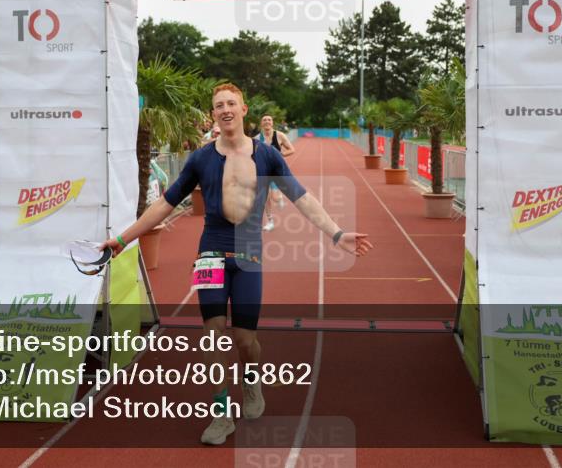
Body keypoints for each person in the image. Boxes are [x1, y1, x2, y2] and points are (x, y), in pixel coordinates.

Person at [101, 83, 373, 446]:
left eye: (231, 103)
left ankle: (251, 381)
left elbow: (301, 198)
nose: (225, 109)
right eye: (218, 106)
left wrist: (338, 234)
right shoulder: (200, 159)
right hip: (210, 253)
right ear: (213, 115)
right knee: (212, 335)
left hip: (248, 255)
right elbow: (165, 204)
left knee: (246, 340)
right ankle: (220, 412)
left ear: (244, 110)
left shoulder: (267, 156)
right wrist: (123, 238)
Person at [255, 114, 296, 231]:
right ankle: (270, 221)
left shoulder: (279, 136)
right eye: (264, 120)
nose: (267, 121)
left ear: (272, 123)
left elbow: (292, 150)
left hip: (277, 170)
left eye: (269, 120)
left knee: (275, 198)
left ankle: (279, 197)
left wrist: (280, 155)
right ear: (261, 123)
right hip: (264, 172)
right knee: (265, 197)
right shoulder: (257, 139)